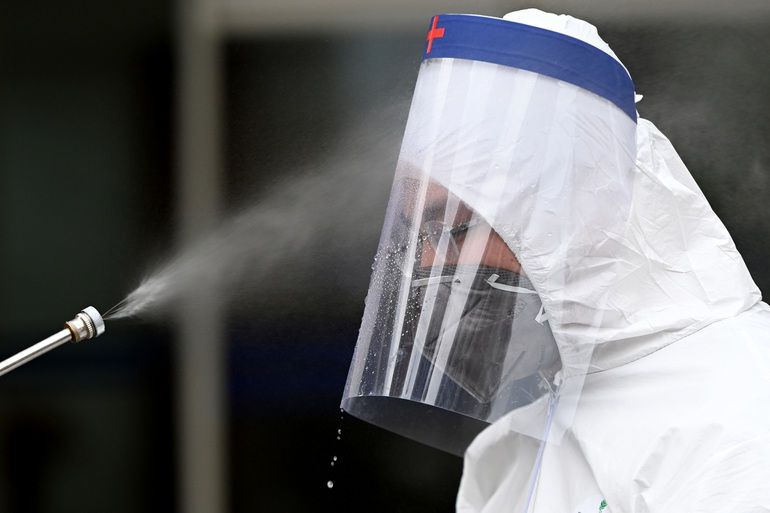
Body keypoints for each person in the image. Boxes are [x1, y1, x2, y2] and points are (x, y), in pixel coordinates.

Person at [342, 8, 770, 512]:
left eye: (453, 228)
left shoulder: (741, 407)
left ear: (571, 208)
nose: (429, 263)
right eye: (419, 237)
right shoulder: (510, 450)